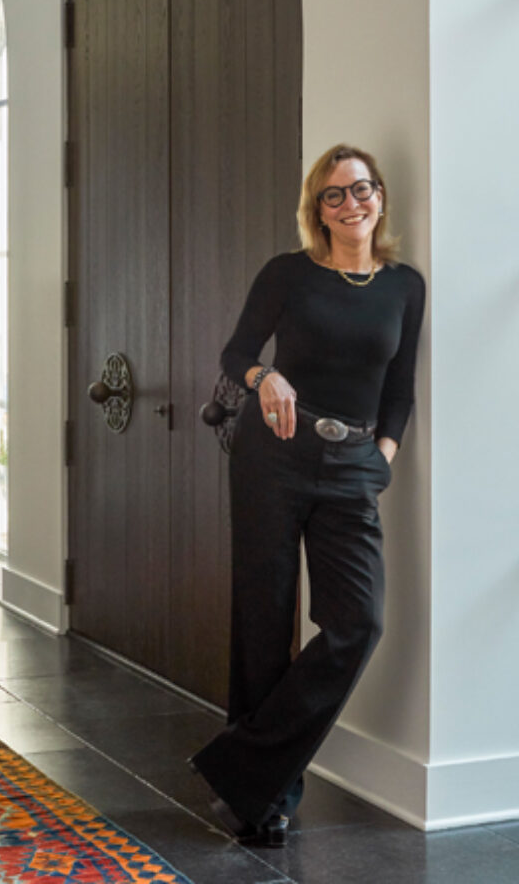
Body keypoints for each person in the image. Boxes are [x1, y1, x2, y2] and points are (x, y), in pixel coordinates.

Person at [189, 144, 425, 847]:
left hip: (354, 465)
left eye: (363, 190)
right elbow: (235, 356)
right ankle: (266, 799)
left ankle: (239, 766)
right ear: (316, 210)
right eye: (335, 195)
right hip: (274, 458)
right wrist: (266, 379)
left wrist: (381, 460)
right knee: (264, 619)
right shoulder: (287, 274)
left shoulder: (405, 286)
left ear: (380, 199)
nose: (352, 203)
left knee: (359, 622)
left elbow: (401, 390)